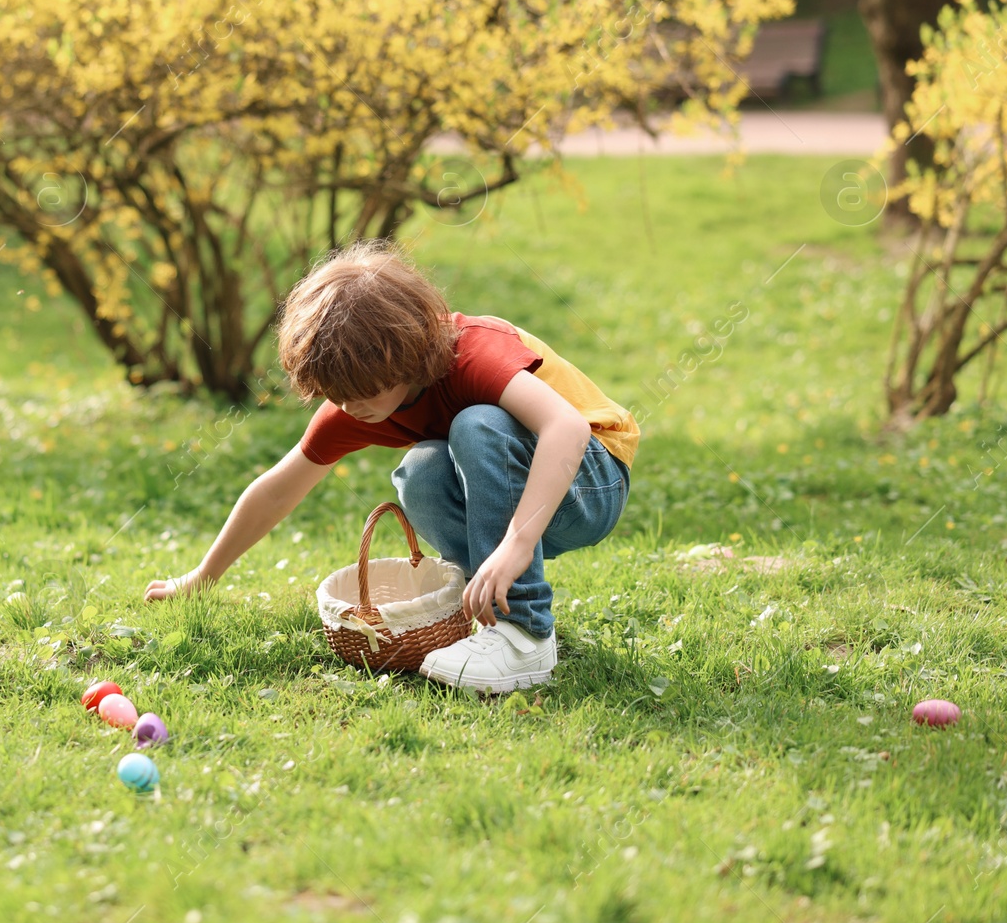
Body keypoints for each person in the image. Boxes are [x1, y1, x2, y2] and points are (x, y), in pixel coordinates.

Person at [143, 240, 638, 693]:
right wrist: (202, 576)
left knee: (476, 425)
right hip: (526, 491)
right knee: (421, 469)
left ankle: (525, 635)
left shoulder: (473, 353)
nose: (348, 405)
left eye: (360, 391)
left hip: (593, 479)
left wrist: (518, 543)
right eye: (335, 393)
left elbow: (567, 430)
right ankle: (486, 613)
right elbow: (278, 489)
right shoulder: (360, 400)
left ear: (404, 357)